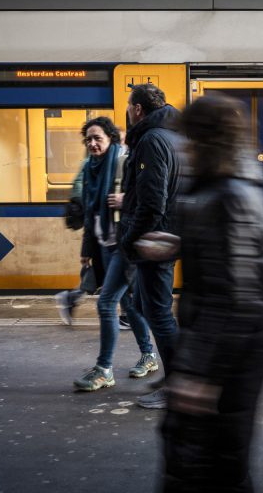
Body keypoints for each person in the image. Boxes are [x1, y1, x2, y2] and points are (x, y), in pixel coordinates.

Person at [141, 93, 263, 492]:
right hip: (239, 345)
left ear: (206, 141)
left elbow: (230, 295)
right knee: (223, 459)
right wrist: (182, 242)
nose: (184, 150)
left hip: (228, 351)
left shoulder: (225, 196)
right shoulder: (234, 187)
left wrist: (198, 372)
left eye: (190, 140)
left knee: (204, 460)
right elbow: (242, 264)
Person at [68, 117, 157, 391]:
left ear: (111, 139)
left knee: (106, 304)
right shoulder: (91, 168)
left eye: (98, 138)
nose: (93, 144)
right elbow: (89, 212)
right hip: (104, 244)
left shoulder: (123, 162)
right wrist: (86, 250)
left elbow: (148, 195)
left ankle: (104, 369)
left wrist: (124, 199)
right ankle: (149, 355)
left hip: (124, 244)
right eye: (88, 139)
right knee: (128, 304)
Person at [117, 84, 182, 409]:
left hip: (155, 238)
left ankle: (179, 384)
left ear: (138, 109)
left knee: (157, 311)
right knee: (143, 305)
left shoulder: (152, 140)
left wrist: (130, 240)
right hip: (164, 234)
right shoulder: (171, 136)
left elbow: (152, 202)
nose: (128, 112)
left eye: (129, 106)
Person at [55, 147, 132, 331]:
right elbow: (81, 193)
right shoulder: (90, 165)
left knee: (109, 279)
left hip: (109, 232)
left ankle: (72, 297)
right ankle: (128, 317)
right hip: (103, 232)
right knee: (112, 280)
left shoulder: (115, 164)